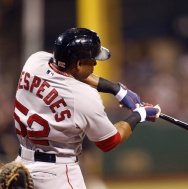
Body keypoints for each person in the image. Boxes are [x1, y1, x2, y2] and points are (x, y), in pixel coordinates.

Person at [13, 27, 161, 189]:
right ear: (79, 63)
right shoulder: (84, 97)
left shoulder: (34, 62)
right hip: (58, 175)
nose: (95, 63)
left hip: (21, 166)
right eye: (92, 60)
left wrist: (116, 89)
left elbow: (68, 71)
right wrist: (139, 115)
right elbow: (110, 141)